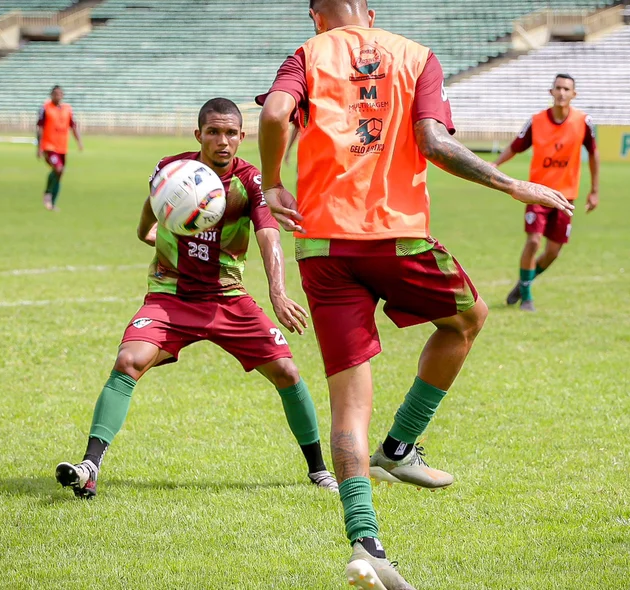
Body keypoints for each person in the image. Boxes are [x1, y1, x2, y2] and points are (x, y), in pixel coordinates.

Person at [256, 1, 572, 587]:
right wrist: (509, 183)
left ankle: (366, 544)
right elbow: (432, 142)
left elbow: (275, 113)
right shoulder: (415, 56)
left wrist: (273, 183)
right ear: (369, 12)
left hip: (322, 246)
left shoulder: (306, 55)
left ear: (314, 16)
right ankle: (400, 446)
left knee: (349, 402)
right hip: (395, 237)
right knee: (468, 320)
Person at [55, 98, 337, 499]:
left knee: (288, 373)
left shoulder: (250, 181)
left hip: (228, 298)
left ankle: (318, 470)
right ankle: (90, 467)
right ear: (198, 135)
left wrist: (277, 291)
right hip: (171, 295)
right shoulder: (174, 169)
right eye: (213, 132)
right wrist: (143, 231)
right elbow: (157, 199)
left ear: (242, 137)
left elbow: (268, 233)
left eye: (231, 133)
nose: (223, 141)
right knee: (127, 362)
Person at [494, 74, 599, 311]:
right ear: (551, 92)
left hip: (565, 196)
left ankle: (523, 283)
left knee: (553, 252)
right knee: (533, 241)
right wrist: (496, 165)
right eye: (558, 88)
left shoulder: (583, 121)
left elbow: (593, 153)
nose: (562, 92)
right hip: (537, 194)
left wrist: (594, 191)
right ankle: (527, 297)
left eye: (567, 89)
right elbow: (515, 146)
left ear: (574, 94)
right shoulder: (537, 121)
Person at [36, 85, 83, 211]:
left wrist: (79, 141)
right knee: (58, 169)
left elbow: (73, 126)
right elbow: (40, 128)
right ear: (51, 95)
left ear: (63, 95)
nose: (57, 96)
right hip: (49, 146)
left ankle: (52, 203)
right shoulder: (45, 108)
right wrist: (39, 146)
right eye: (55, 93)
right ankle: (47, 194)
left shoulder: (67, 109)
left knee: (60, 173)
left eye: (60, 94)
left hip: (62, 147)